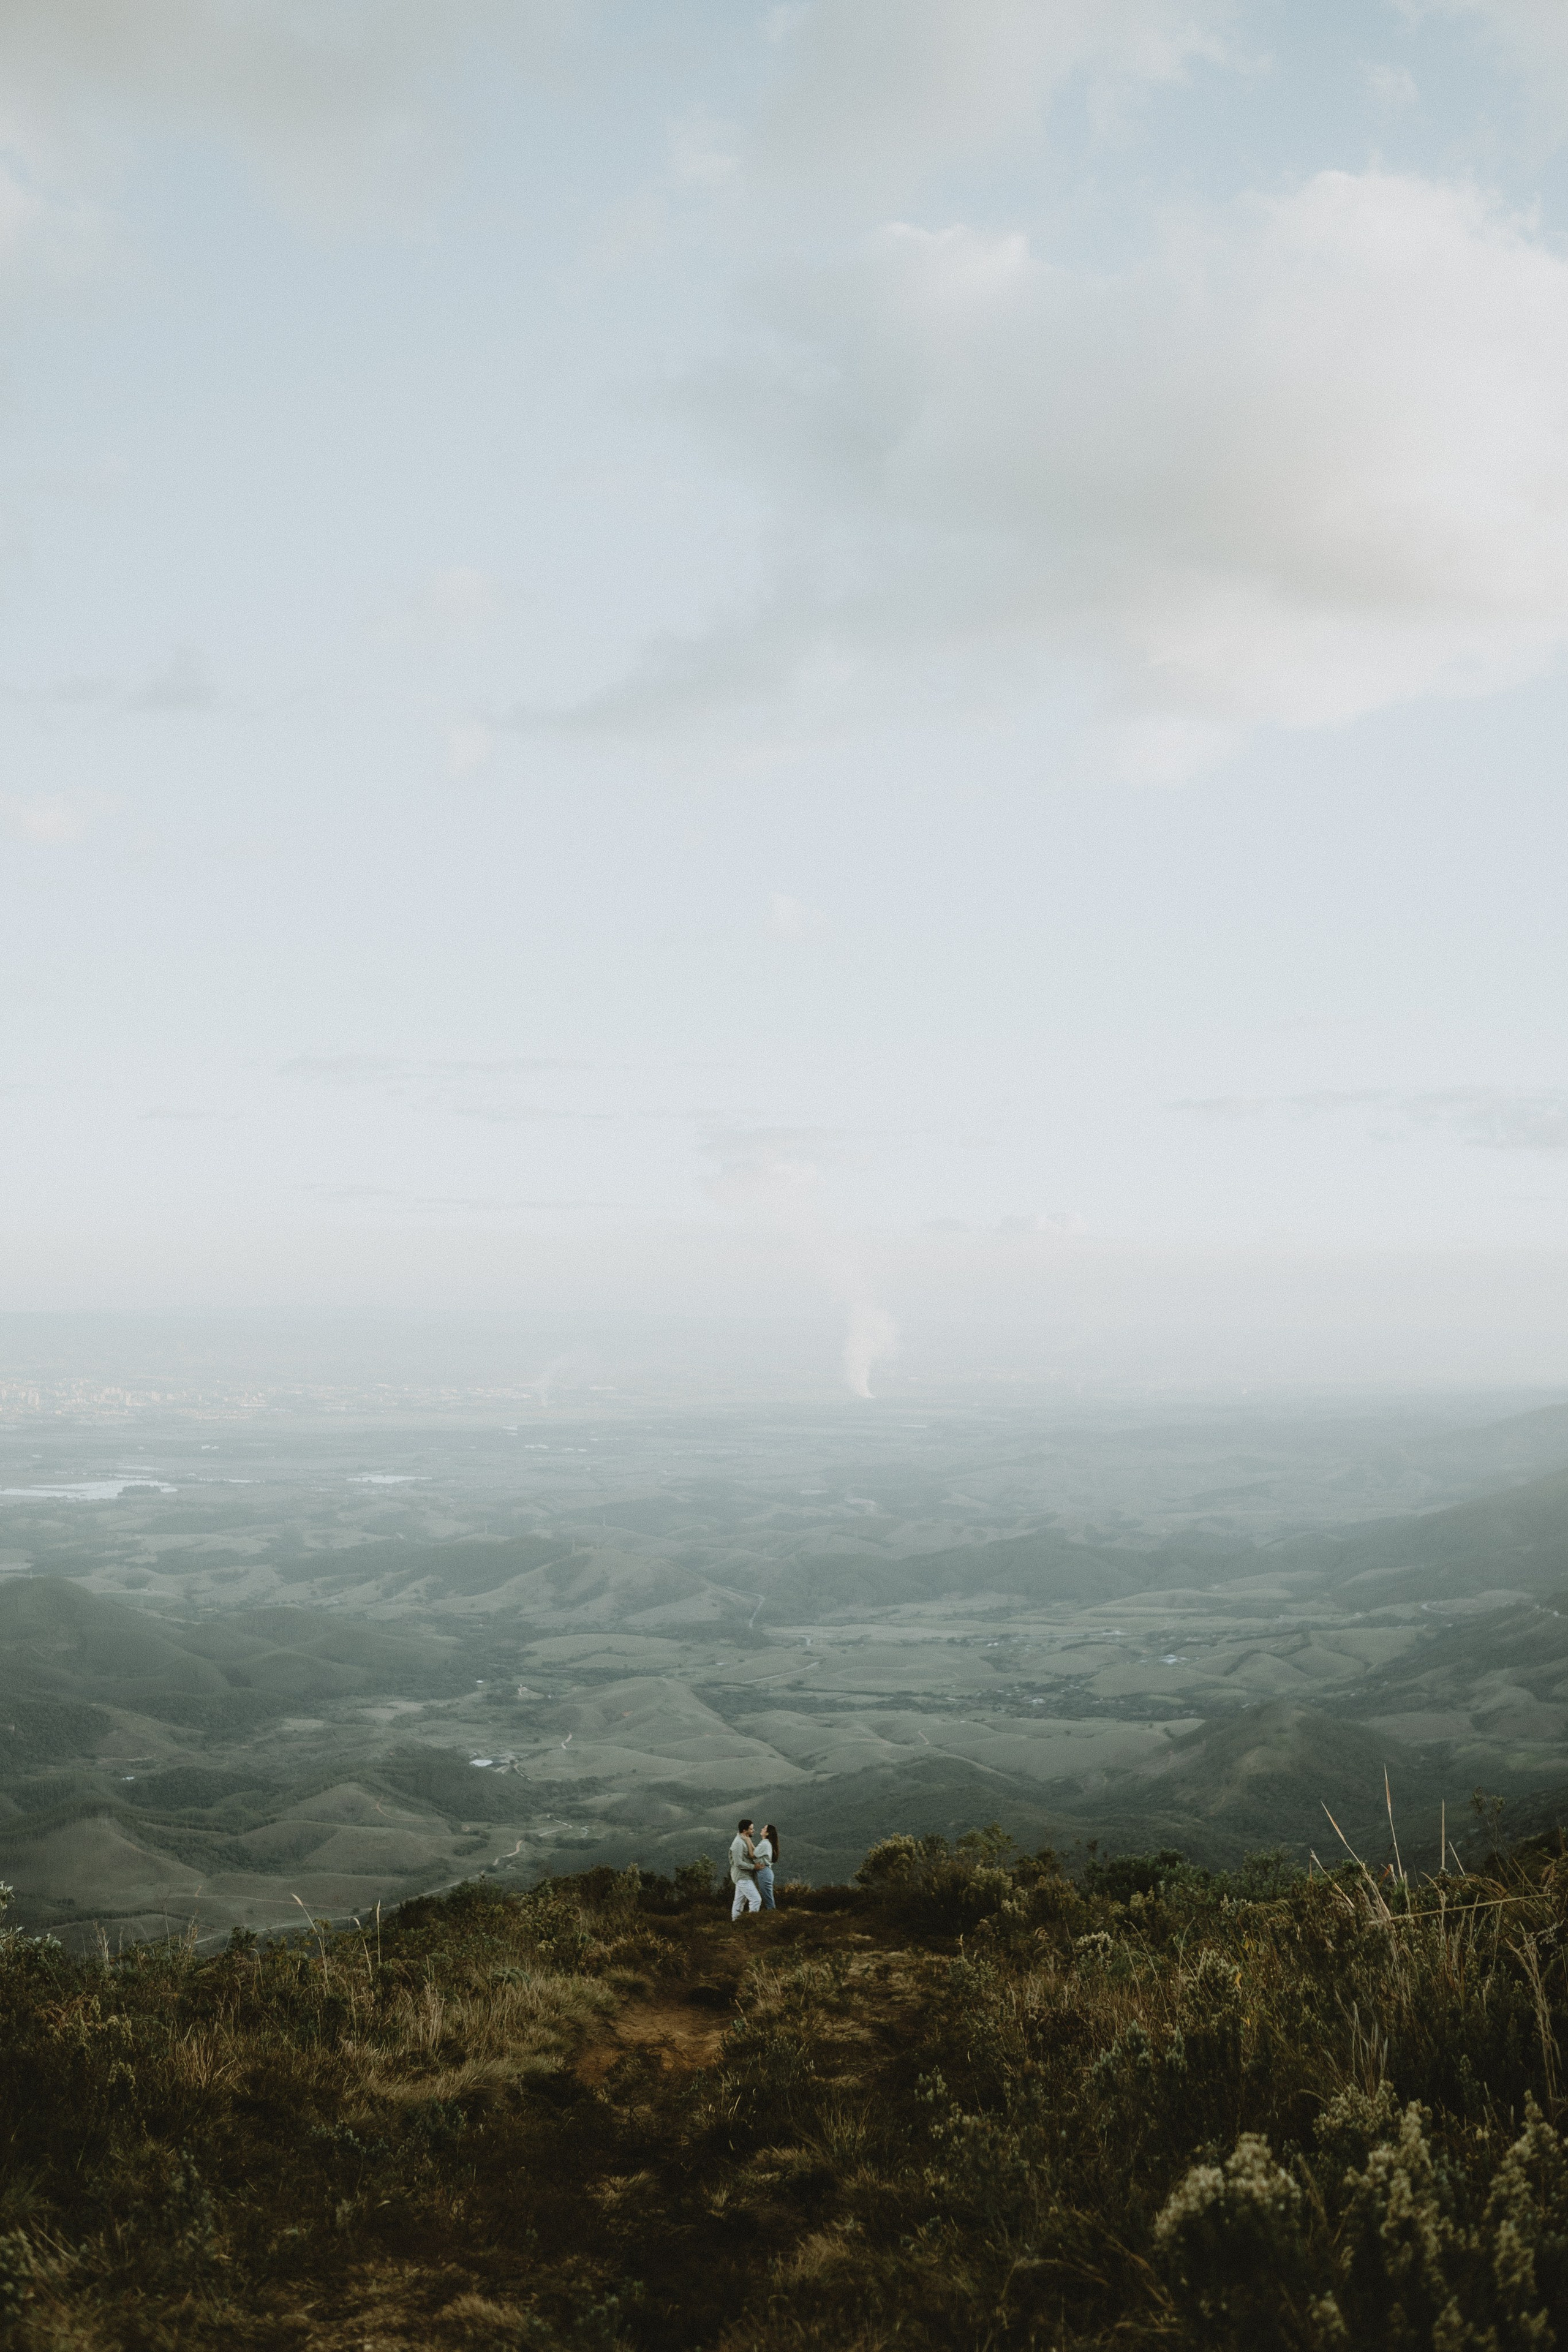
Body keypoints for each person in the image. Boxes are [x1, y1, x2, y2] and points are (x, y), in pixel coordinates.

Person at [729, 1817, 761, 1920]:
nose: (753, 1831)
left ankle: (736, 1922)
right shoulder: (738, 1843)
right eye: (751, 1829)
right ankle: (751, 1921)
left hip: (744, 1876)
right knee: (756, 1900)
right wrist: (754, 1867)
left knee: (739, 1902)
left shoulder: (745, 1840)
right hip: (742, 1877)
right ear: (745, 1830)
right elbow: (738, 1863)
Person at [753, 1823, 777, 1910]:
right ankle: (772, 1914)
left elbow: (754, 1854)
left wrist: (747, 1840)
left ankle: (772, 1915)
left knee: (767, 1898)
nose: (762, 1829)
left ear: (767, 1833)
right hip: (766, 1872)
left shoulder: (765, 1843)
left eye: (764, 1828)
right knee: (767, 1896)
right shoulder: (767, 1843)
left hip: (764, 1872)